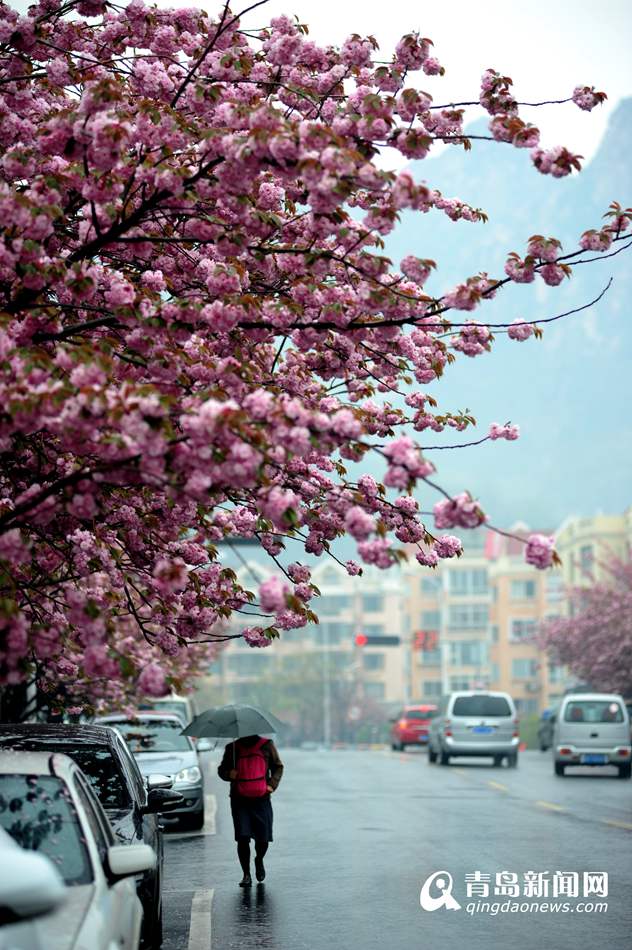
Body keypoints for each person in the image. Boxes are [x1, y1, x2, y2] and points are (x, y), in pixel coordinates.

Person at [218, 734, 284, 886]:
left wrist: (272, 785)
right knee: (243, 837)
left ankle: (259, 859)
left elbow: (278, 766)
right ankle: (246, 874)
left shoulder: (267, 745)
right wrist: (229, 774)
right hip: (239, 799)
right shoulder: (232, 748)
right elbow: (222, 770)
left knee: (263, 838)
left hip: (262, 798)